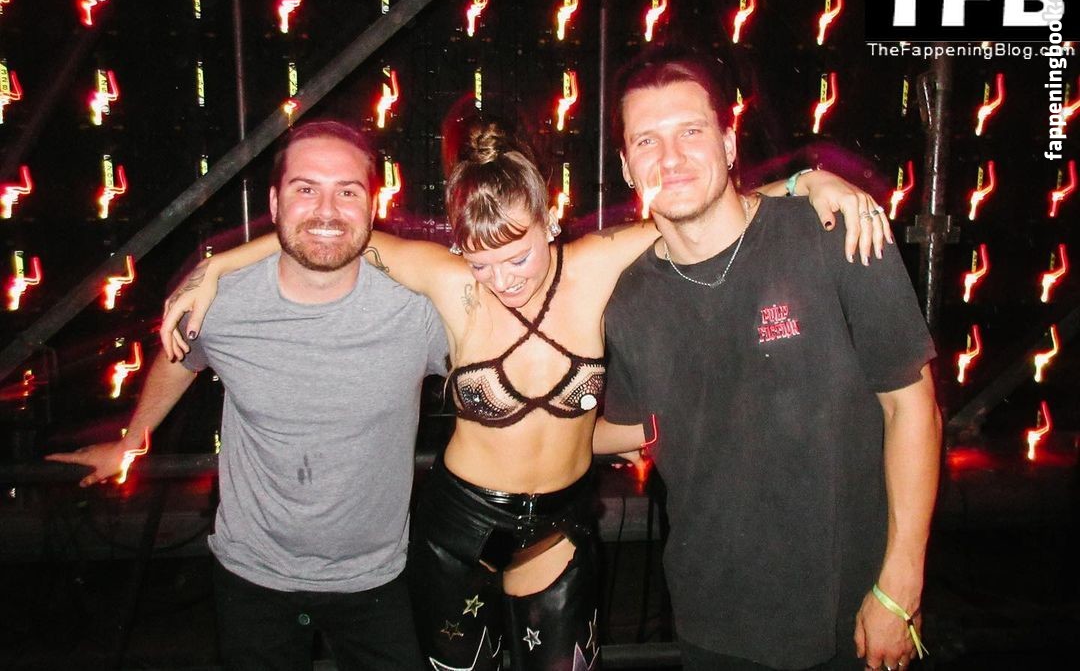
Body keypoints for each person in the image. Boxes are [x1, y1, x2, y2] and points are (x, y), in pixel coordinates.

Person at [159, 114, 891, 670]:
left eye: (517, 255)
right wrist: (218, 265)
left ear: (550, 221)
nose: (502, 279)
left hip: (560, 523)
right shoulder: (453, 284)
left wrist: (804, 182)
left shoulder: (596, 264)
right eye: (482, 261)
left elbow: (707, 215)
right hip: (460, 527)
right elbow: (335, 232)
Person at [47, 120, 449, 671]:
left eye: (348, 192)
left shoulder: (418, 309)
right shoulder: (223, 300)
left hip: (375, 577)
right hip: (253, 575)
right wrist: (130, 442)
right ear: (275, 202)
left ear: (374, 205)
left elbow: (494, 367)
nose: (327, 211)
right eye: (306, 189)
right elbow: (179, 359)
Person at [594, 45, 942, 671]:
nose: (670, 158)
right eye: (646, 141)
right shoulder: (627, 299)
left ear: (729, 144)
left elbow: (912, 408)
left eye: (691, 132)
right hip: (713, 622)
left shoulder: (835, 233)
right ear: (625, 166)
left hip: (853, 613)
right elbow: (629, 427)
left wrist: (900, 585)